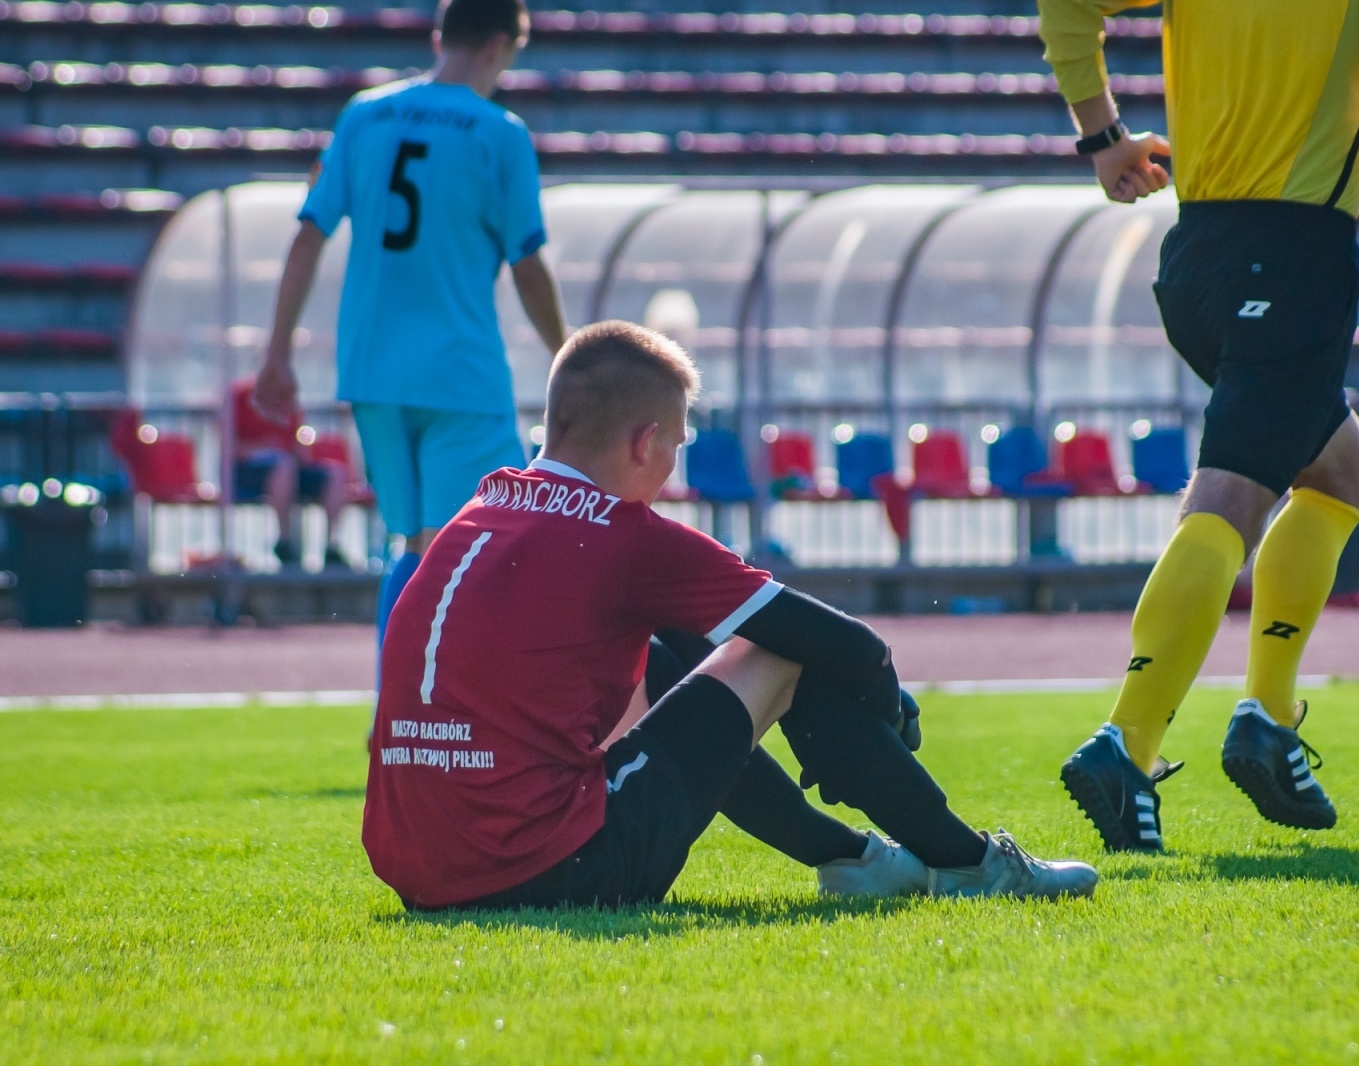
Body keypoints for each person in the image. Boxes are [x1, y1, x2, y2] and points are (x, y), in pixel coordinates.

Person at [362, 321, 1099, 909]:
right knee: (775, 652)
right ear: (646, 441)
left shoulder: (480, 510)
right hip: (548, 871)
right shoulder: (622, 535)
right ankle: (968, 862)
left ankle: (853, 859)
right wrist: (888, 710)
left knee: (664, 653)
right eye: (676, 444)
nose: (674, 464)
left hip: (419, 870)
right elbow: (851, 646)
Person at [1038, 0, 1359, 849]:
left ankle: (1266, 716)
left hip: (1195, 259)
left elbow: (1066, 2)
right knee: (1230, 493)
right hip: (1295, 252)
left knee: (1341, 471)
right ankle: (1127, 743)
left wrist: (1104, 137)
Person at [253, 0, 568, 649]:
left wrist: (277, 352)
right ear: (501, 48)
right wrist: (570, 355)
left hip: (373, 371)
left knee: (415, 544)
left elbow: (309, 235)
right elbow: (528, 264)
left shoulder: (365, 114)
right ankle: (464, 711)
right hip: (459, 373)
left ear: (439, 38)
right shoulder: (499, 131)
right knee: (504, 535)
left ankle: (393, 712)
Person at [229, 378, 351, 570]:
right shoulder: (238, 396)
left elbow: (298, 443)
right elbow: (229, 447)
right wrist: (263, 448)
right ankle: (285, 541)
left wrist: (300, 452)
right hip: (250, 471)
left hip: (289, 467)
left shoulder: (287, 398)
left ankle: (332, 545)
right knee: (284, 468)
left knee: (335, 473)